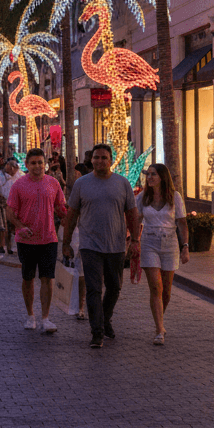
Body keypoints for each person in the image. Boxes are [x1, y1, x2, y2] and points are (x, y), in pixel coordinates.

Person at [60, 144, 141, 349]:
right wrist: (67, 242)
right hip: (90, 245)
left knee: (114, 287)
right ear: (91, 160)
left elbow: (132, 213)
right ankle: (97, 332)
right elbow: (71, 215)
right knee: (94, 288)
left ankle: (105, 320)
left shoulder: (122, 183)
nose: (99, 161)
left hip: (116, 245)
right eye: (96, 158)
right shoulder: (81, 184)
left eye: (104, 158)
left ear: (111, 160)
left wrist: (136, 240)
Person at [6, 148, 67, 334]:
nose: (37, 166)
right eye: (33, 163)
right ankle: (30, 315)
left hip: (49, 238)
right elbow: (9, 212)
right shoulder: (18, 185)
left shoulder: (53, 183)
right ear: (26, 165)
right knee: (28, 278)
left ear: (45, 164)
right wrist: (20, 227)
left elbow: (61, 208)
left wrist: (72, 221)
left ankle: (46, 318)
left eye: (40, 162)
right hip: (26, 240)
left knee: (47, 278)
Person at [138, 163, 190, 345]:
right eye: (148, 174)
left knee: (166, 291)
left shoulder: (174, 197)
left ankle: (159, 318)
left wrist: (185, 246)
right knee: (156, 287)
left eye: (153, 174)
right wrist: (133, 242)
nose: (150, 177)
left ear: (162, 177)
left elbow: (182, 223)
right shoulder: (142, 197)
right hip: (149, 242)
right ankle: (159, 328)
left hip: (170, 244)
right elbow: (135, 221)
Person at [0, 159, 22, 256]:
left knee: (15, 227)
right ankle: (2, 246)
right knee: (3, 227)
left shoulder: (20, 174)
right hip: (3, 205)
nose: (13, 171)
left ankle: (12, 247)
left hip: (16, 205)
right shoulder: (0, 175)